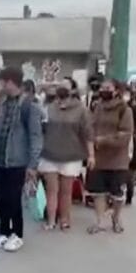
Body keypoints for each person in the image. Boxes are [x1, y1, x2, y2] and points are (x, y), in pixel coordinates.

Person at [0, 66, 43, 252]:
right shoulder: (3, 103)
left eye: (3, 82)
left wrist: (33, 165)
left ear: (11, 82)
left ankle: (17, 234)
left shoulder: (29, 106)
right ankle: (4, 231)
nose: (0, 86)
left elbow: (36, 137)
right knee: (2, 198)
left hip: (17, 161)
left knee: (14, 199)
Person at [38, 83, 94, 230]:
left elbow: (88, 133)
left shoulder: (81, 110)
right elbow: (41, 130)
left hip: (71, 155)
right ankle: (51, 221)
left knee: (66, 191)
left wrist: (91, 155)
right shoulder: (49, 108)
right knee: (51, 190)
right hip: (49, 153)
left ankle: (64, 220)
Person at [86, 79, 134, 234]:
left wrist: (103, 140)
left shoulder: (125, 110)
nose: (104, 90)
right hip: (98, 158)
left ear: (116, 91)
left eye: (108, 88)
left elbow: (125, 134)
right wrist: (91, 144)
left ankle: (116, 217)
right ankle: (100, 221)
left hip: (118, 159)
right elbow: (91, 127)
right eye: (102, 87)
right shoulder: (97, 107)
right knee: (98, 192)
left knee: (117, 194)